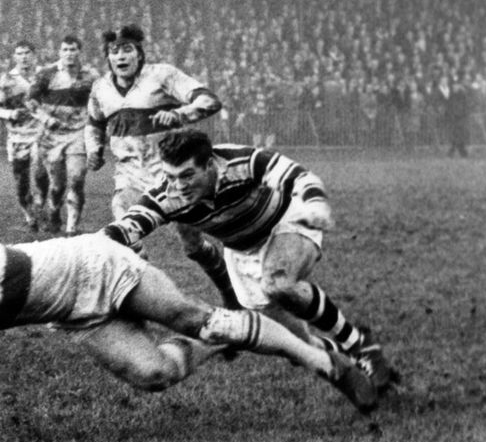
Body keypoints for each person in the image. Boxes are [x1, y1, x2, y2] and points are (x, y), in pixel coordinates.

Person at [0, 235, 378, 414]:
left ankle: (327, 364)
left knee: (189, 317)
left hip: (99, 265)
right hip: (76, 315)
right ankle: (234, 332)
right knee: (154, 374)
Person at [97, 129, 397, 391]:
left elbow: (299, 177)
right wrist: (108, 242)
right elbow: (130, 223)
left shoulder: (241, 161)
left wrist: (315, 204)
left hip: (285, 223)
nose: (178, 186)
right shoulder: (167, 196)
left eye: (187, 175)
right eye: (171, 177)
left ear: (210, 163)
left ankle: (359, 344)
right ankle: (357, 360)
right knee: (295, 346)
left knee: (279, 283)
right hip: (242, 252)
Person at [85, 25, 238, 310]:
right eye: (114, 51)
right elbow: (94, 123)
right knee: (123, 226)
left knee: (193, 246)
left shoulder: (162, 75)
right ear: (107, 58)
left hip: (171, 175)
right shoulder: (100, 88)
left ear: (139, 54)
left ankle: (231, 295)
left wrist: (181, 113)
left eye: (127, 49)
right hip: (130, 174)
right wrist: (93, 149)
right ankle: (142, 303)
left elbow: (209, 100)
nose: (121, 56)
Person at [26, 35, 99, 235]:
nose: (69, 54)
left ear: (79, 53)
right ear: (59, 53)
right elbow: (30, 100)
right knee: (57, 185)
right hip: (52, 135)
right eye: (65, 50)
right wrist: (45, 118)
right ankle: (54, 211)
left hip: (78, 133)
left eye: (73, 49)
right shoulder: (46, 74)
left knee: (76, 178)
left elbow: (100, 101)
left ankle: (72, 228)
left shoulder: (90, 76)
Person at [0, 40, 47, 232]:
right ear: (15, 57)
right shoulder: (7, 79)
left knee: (40, 166)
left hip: (40, 134)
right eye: (19, 54)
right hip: (17, 137)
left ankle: (40, 202)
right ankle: (30, 215)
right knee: (21, 185)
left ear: (34, 55)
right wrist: (10, 114)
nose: (23, 57)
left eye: (27, 53)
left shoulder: (44, 76)